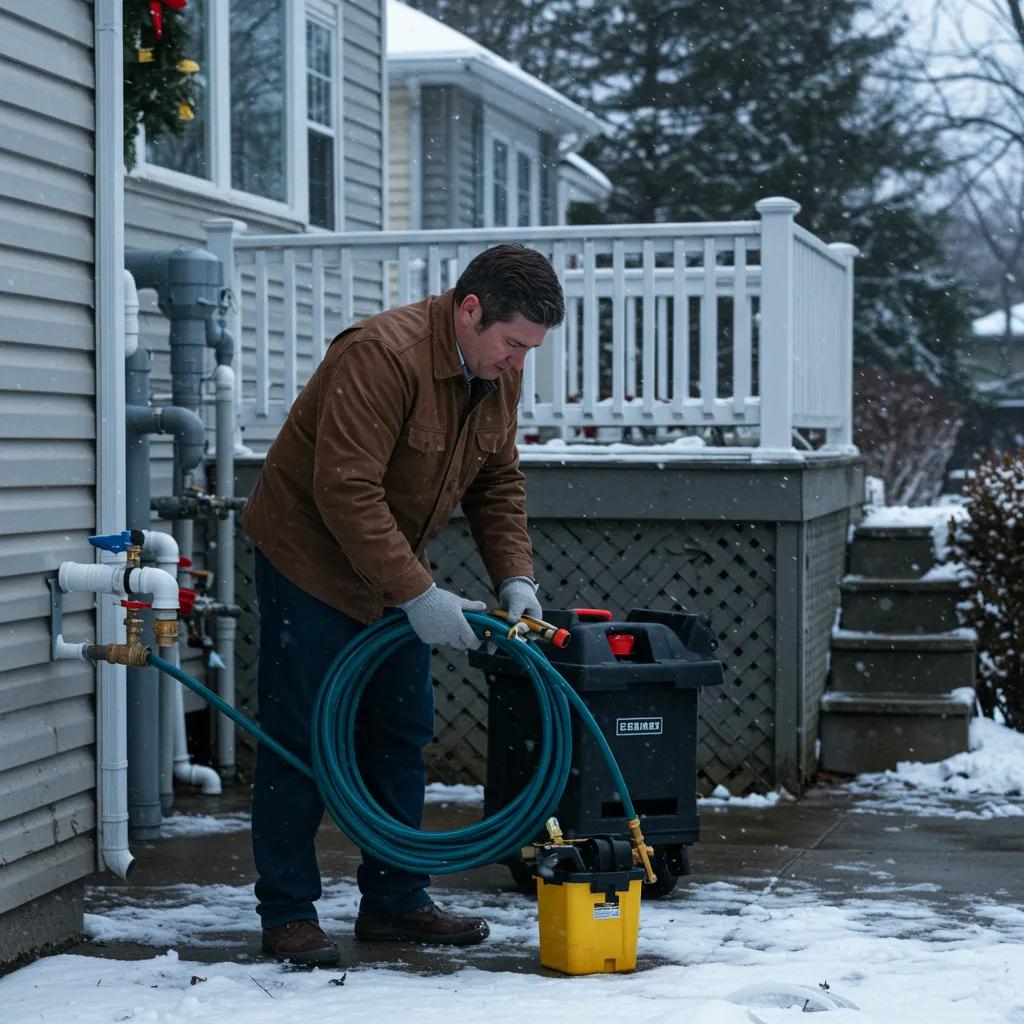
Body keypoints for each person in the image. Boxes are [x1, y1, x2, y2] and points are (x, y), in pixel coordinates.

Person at [241, 243, 565, 965]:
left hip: (392, 563)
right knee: (302, 737)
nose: (519, 362)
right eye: (513, 344)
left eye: (529, 350)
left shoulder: (497, 373)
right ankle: (287, 912)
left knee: (401, 729)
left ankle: (395, 900)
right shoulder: (380, 356)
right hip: (309, 559)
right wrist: (419, 594)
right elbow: (346, 491)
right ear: (470, 310)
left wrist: (517, 578)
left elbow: (497, 483)